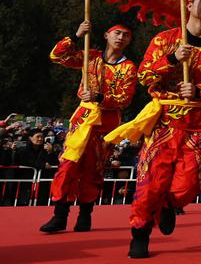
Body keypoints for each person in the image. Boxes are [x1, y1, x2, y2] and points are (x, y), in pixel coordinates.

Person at [107, 0, 201, 259]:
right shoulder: (166, 39)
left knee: (189, 185)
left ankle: (168, 204)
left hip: (198, 120)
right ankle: (140, 234)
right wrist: (171, 59)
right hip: (164, 120)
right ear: (189, 6)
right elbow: (144, 76)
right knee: (150, 181)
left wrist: (200, 91)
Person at [39, 21, 136, 234]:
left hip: (106, 123)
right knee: (67, 164)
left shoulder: (128, 67)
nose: (120, 37)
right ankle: (60, 215)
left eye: (126, 35)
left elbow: (125, 99)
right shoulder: (90, 56)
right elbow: (57, 56)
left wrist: (100, 97)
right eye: (117, 33)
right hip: (83, 118)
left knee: (94, 170)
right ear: (106, 35)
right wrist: (75, 36)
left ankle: (85, 215)